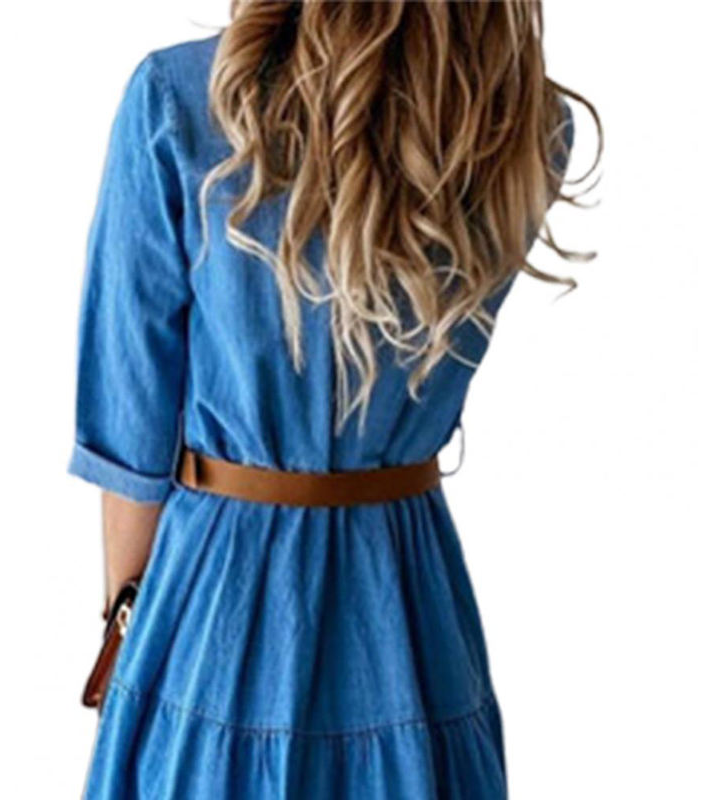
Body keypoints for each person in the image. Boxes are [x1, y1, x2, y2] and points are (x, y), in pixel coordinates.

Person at [68, 2, 600, 797]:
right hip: (409, 607)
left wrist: (129, 625)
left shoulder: (178, 99)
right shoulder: (518, 123)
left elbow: (129, 431)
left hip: (216, 605)